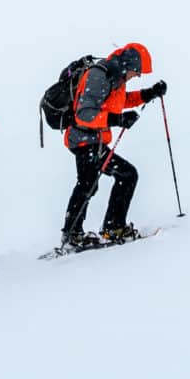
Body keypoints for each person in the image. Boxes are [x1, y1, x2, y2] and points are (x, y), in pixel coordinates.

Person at [59, 42, 166, 249]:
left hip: (93, 140)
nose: (137, 76)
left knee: (90, 183)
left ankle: (81, 232)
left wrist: (149, 93)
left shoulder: (115, 77)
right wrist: (117, 120)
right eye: (138, 72)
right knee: (119, 176)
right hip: (84, 140)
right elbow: (84, 114)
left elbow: (120, 101)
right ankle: (103, 229)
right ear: (130, 64)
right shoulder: (100, 75)